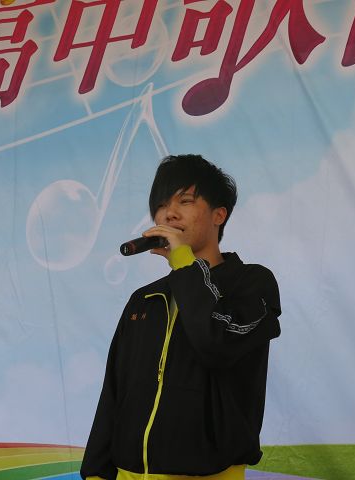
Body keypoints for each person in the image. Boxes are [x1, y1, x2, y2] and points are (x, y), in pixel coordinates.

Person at [80, 154, 281, 480]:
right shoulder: (144, 299)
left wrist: (185, 264)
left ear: (219, 215)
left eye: (185, 201)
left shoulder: (253, 283)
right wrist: (95, 473)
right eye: (161, 205)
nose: (169, 213)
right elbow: (114, 392)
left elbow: (216, 344)